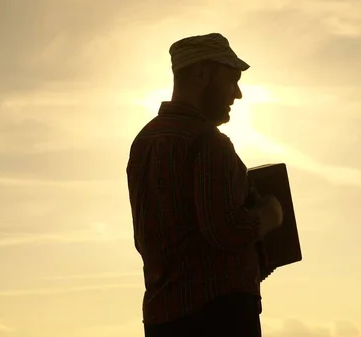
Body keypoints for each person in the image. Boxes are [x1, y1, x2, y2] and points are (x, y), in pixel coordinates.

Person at [126, 33, 284, 337]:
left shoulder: (143, 143)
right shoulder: (210, 142)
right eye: (231, 79)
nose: (237, 94)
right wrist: (269, 215)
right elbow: (224, 229)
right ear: (201, 75)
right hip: (220, 316)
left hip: (162, 317)